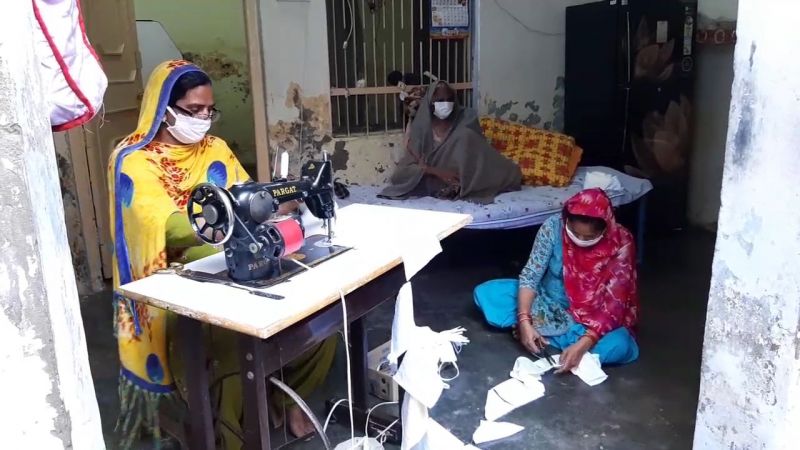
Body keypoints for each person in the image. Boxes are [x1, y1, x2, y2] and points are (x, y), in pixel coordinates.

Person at [108, 60, 336, 449]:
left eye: (209, 110)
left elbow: (247, 193)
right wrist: (238, 214)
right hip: (174, 283)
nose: (203, 119)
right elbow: (164, 226)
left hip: (231, 262)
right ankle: (233, 435)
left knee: (322, 322)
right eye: (193, 111)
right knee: (231, 350)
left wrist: (283, 201)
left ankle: (282, 400)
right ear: (164, 108)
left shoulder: (215, 148)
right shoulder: (133, 159)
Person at [473, 189, 639, 372]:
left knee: (619, 344)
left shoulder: (621, 241)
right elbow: (531, 276)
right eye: (575, 233)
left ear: (606, 227)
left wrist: (585, 342)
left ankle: (560, 341)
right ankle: (538, 332)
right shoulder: (553, 227)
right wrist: (524, 319)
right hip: (546, 304)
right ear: (566, 220)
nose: (580, 241)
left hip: (592, 320)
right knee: (487, 293)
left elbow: (615, 303)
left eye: (589, 237)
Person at [379, 80, 521, 204]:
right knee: (412, 178)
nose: (445, 104)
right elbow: (402, 173)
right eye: (440, 100)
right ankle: (448, 187)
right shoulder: (422, 127)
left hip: (465, 176)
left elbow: (478, 155)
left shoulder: (465, 120)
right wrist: (433, 171)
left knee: (466, 137)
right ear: (430, 102)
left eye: (449, 99)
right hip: (434, 177)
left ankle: (462, 187)